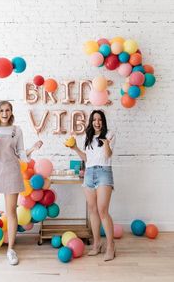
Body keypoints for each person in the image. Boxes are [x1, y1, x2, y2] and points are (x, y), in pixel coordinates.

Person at [0, 101, 43, 266]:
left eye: (8, 110)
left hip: (11, 173)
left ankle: (11, 250)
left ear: (11, 113)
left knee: (12, 212)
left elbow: (21, 154)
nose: (5, 113)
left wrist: (32, 149)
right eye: (2, 110)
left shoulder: (16, 131)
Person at [69, 109, 115, 261]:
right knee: (93, 210)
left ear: (103, 121)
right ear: (91, 122)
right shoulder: (88, 137)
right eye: (94, 119)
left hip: (103, 172)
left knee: (103, 210)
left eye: (100, 119)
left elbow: (108, 155)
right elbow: (87, 158)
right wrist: (75, 148)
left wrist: (106, 143)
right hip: (89, 173)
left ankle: (110, 246)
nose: (97, 122)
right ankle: (97, 244)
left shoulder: (109, 134)